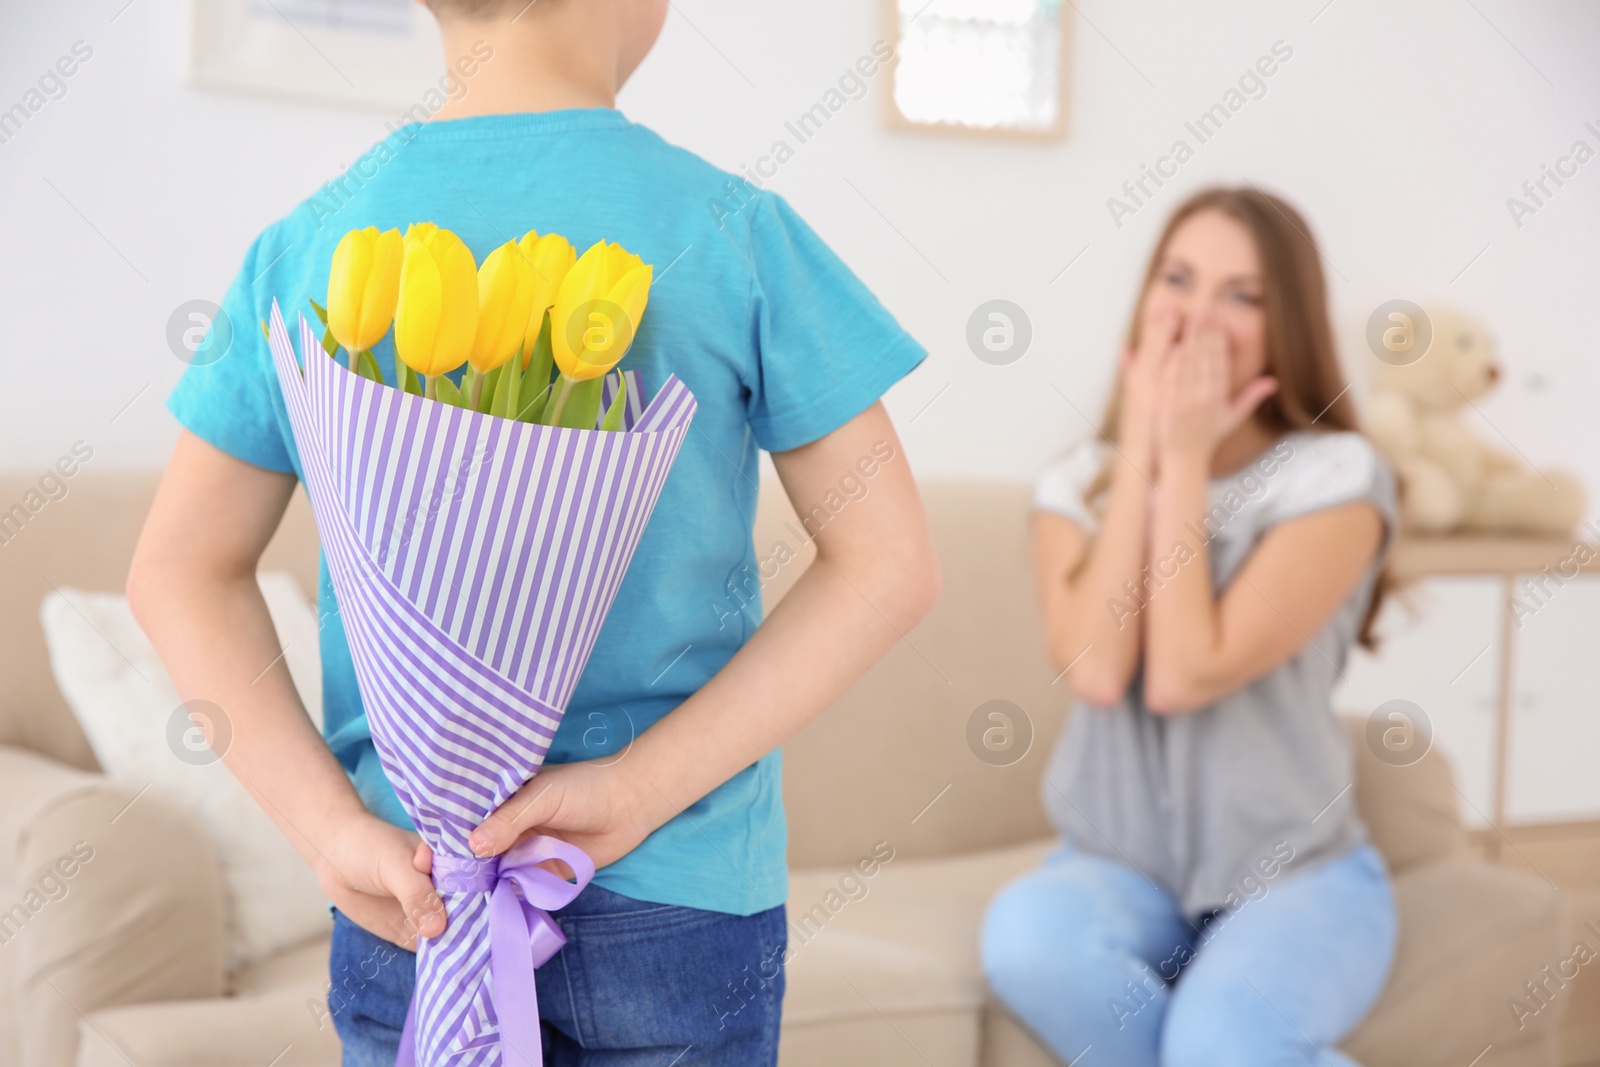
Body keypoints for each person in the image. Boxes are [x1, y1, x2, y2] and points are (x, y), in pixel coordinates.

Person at [127, 2, 940, 1064]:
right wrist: (636, 788)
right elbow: (890, 565)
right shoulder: (732, 227)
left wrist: (329, 833)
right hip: (678, 890)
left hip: (407, 893)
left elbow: (176, 572)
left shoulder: (310, 243)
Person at [981, 186, 1398, 1067]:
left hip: (1298, 875)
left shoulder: (1336, 475)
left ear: (1287, 324)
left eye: (1242, 294)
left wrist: (1184, 457)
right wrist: (1144, 452)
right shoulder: (1077, 483)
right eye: (1179, 279)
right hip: (1117, 868)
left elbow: (1182, 672)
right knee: (1023, 939)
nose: (1199, 315)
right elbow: (1097, 670)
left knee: (1220, 1042)